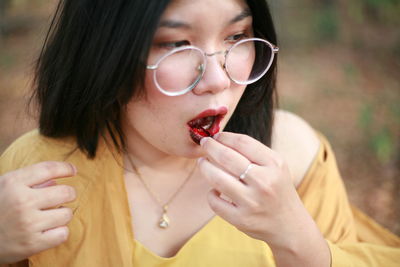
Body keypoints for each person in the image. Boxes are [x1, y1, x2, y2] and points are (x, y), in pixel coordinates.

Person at [0, 0, 399, 266]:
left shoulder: (294, 156)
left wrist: (300, 243)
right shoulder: (39, 174)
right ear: (105, 54)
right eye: (176, 43)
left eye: (237, 37)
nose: (217, 79)